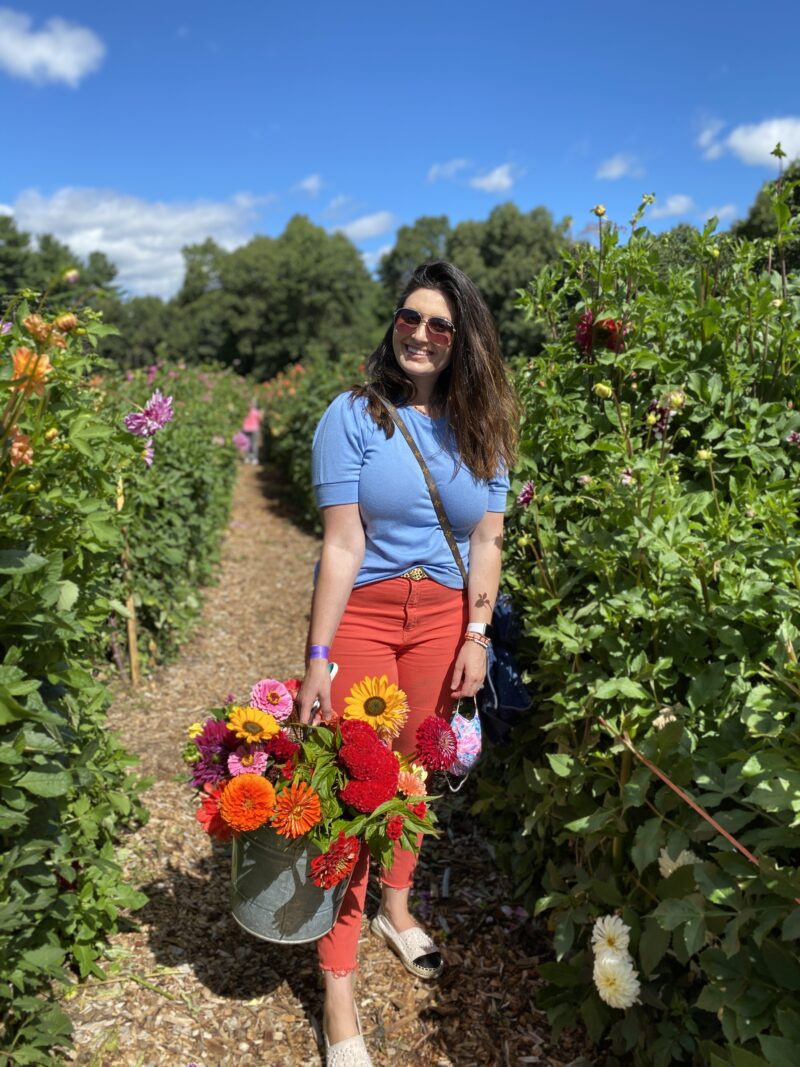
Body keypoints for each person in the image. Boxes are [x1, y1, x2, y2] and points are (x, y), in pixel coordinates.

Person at [297, 261, 518, 1066]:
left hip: (445, 621)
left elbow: (487, 539)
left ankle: (396, 905)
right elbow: (342, 543)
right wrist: (318, 656)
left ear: (465, 343)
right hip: (367, 615)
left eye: (440, 326)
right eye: (409, 318)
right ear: (393, 323)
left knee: (416, 776)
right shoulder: (354, 416)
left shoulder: (483, 424)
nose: (420, 335)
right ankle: (338, 986)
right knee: (357, 787)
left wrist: (476, 633)